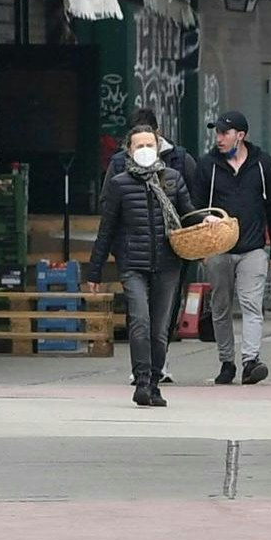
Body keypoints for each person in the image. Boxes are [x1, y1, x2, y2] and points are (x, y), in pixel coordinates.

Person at [88, 123, 193, 407]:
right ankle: (142, 381)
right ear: (129, 151)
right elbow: (106, 229)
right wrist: (94, 270)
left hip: (168, 263)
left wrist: (206, 222)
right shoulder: (119, 184)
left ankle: (156, 381)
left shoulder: (173, 179)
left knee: (159, 329)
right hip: (133, 262)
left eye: (150, 145)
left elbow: (189, 216)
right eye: (139, 146)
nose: (145, 150)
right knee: (139, 321)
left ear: (158, 148)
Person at [192, 111, 271, 383]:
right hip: (218, 248)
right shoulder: (207, 166)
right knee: (220, 306)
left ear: (240, 136)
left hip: (253, 247)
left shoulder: (262, 164)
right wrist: (202, 237)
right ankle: (226, 362)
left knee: (251, 304)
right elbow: (195, 206)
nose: (219, 138)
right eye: (217, 133)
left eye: (225, 133)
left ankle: (250, 361)